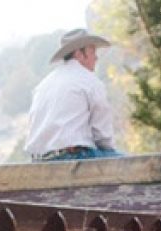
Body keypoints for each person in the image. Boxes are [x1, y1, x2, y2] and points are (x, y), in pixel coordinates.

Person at [25, 28, 121, 161]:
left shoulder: (43, 85)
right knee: (134, 166)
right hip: (74, 156)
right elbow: (103, 137)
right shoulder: (89, 81)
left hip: (39, 161)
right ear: (79, 54)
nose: (96, 57)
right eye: (92, 51)